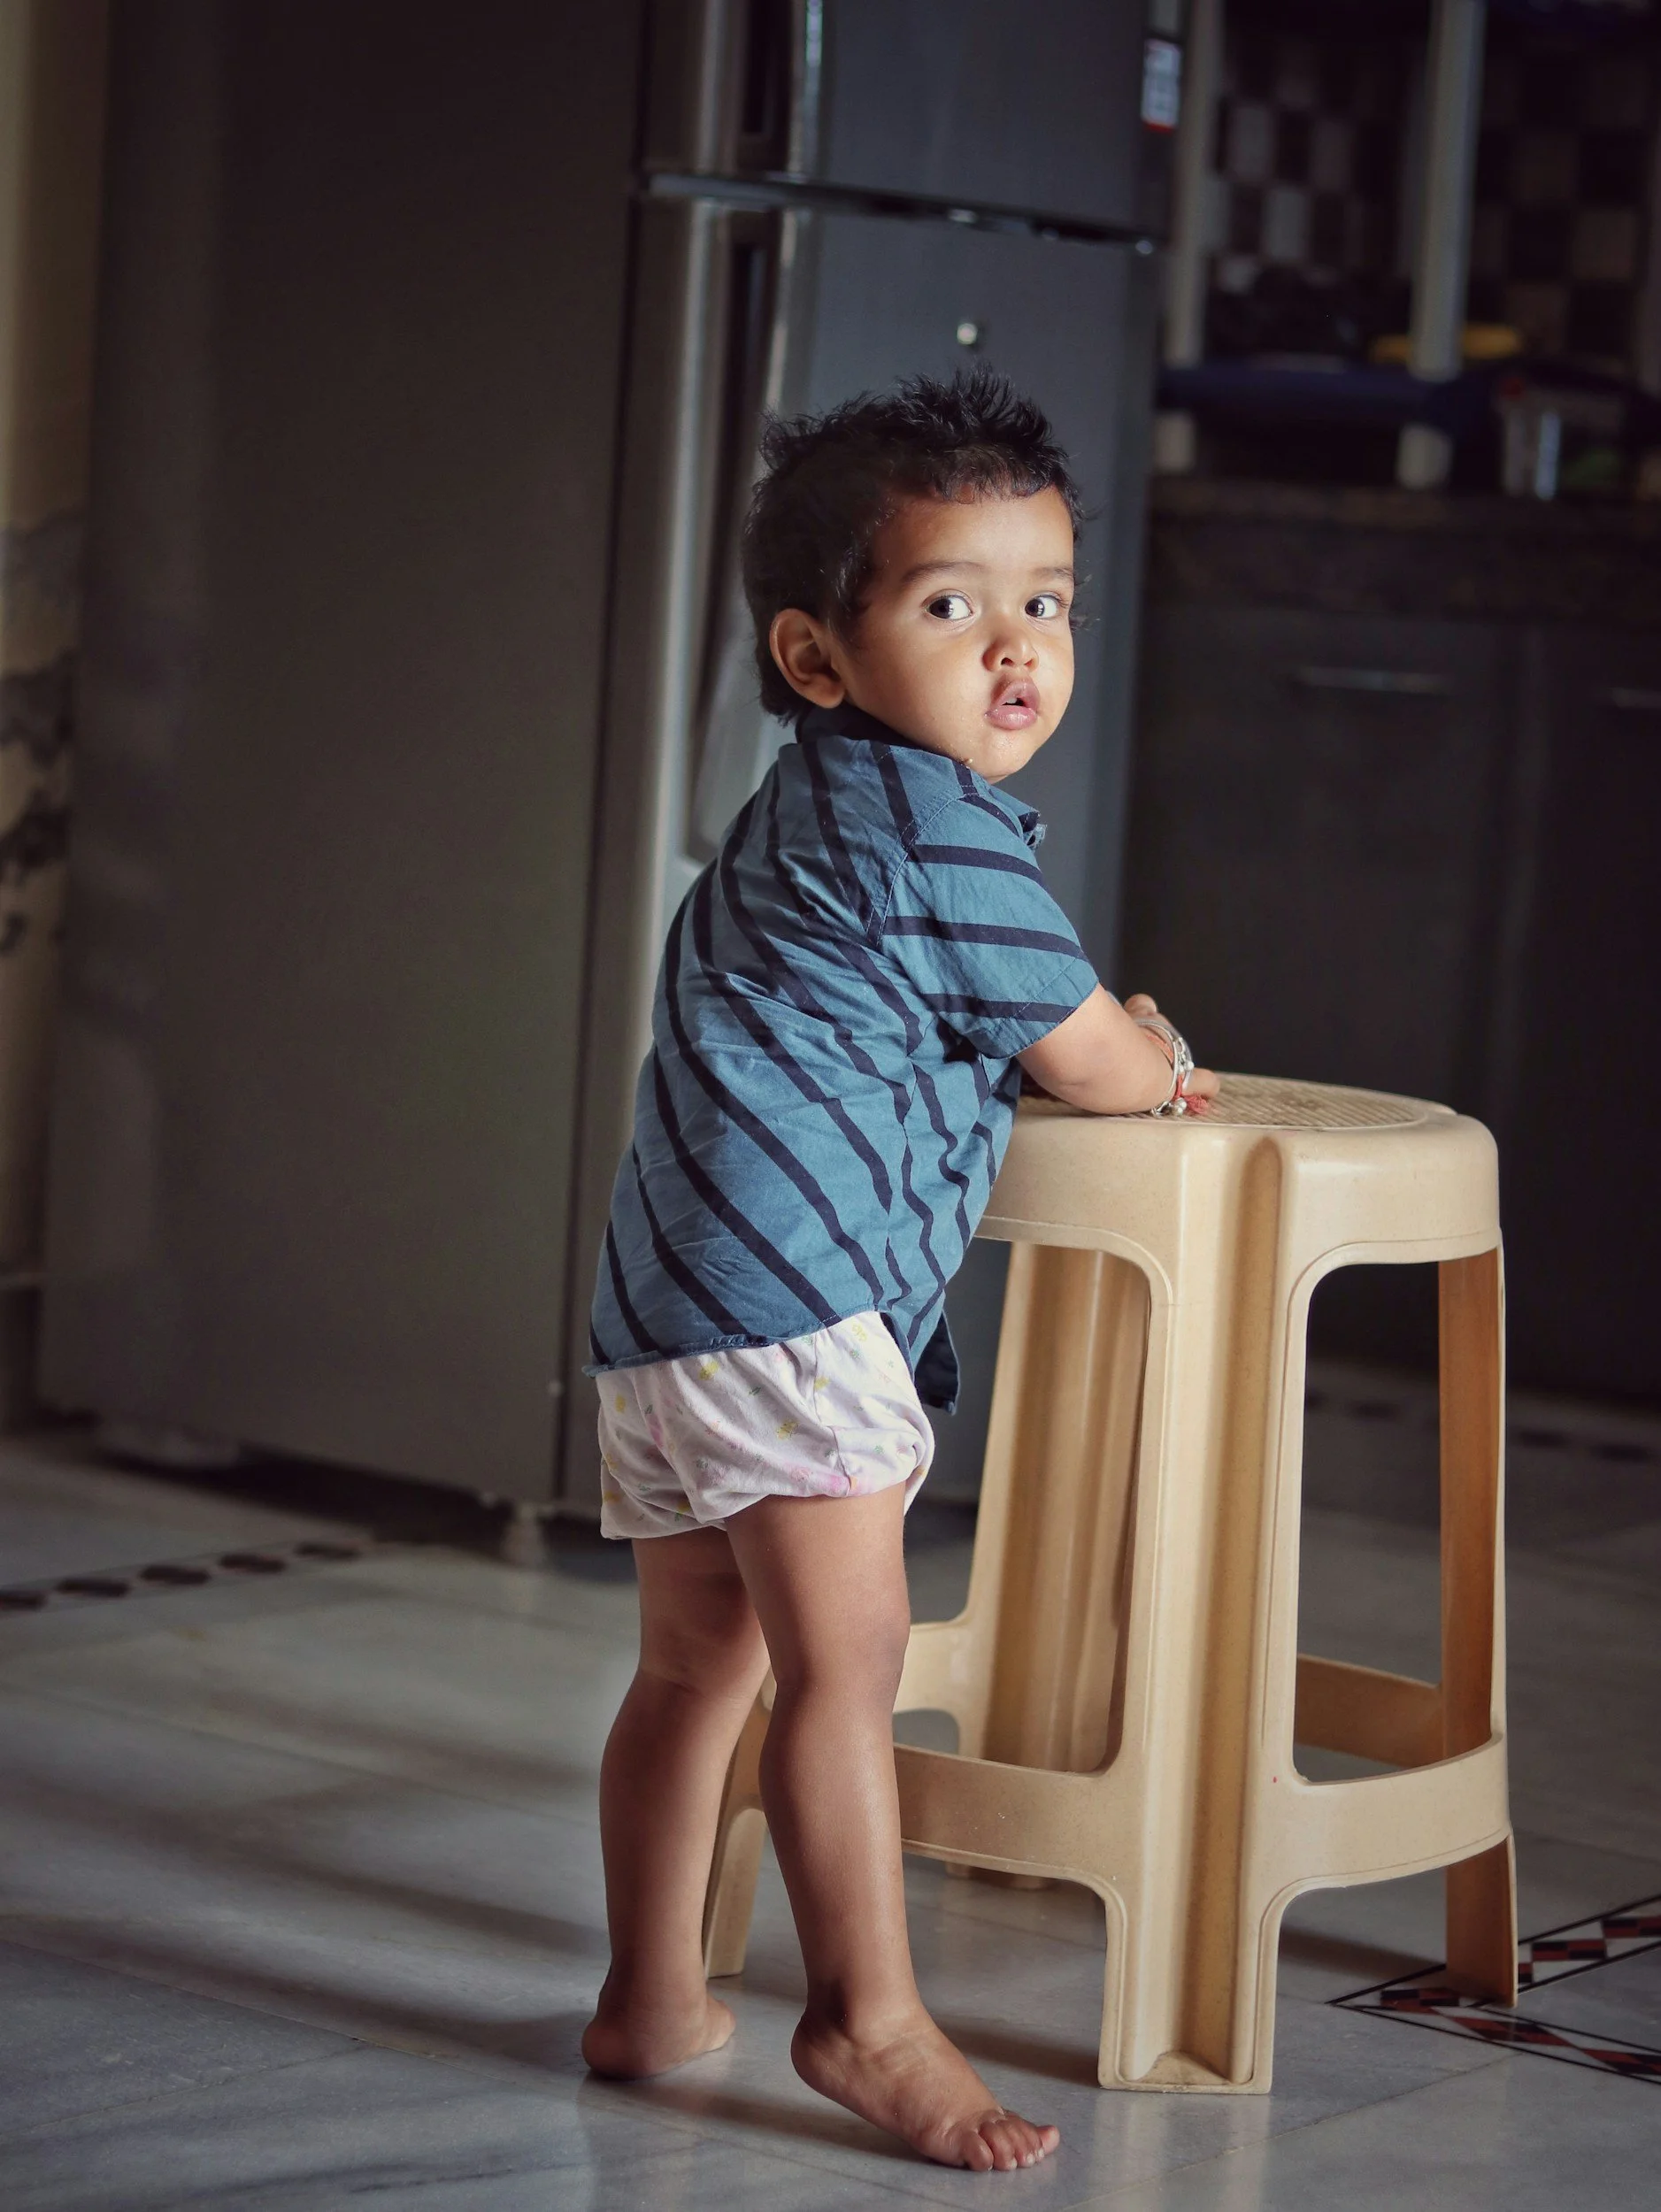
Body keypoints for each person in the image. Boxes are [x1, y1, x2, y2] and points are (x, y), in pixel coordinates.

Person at [581, 369, 1217, 2173]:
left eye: (1047, 600)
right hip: (791, 1302)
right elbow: (1084, 1052)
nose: (1015, 644)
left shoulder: (815, 811)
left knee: (693, 1664)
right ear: (817, 652)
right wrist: (1156, 1053)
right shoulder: (927, 823)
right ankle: (864, 2018)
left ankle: (646, 1991)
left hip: (676, 1297)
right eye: (952, 603)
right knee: (838, 1669)